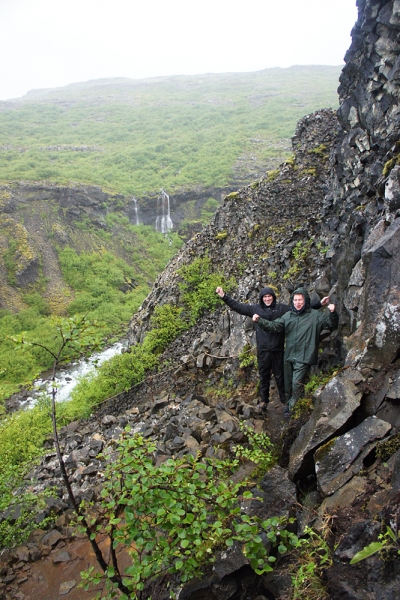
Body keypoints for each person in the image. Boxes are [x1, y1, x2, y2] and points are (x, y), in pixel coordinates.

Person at [216, 285, 329, 410]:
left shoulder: (281, 309)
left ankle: (284, 401)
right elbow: (238, 307)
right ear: (261, 298)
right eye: (265, 297)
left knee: (280, 377)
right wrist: (223, 296)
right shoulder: (255, 309)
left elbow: (300, 308)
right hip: (263, 350)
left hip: (278, 350)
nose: (267, 299)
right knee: (264, 376)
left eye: (269, 296)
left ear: (273, 297)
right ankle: (264, 401)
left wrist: (319, 304)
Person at [253, 287, 338, 413]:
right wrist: (260, 320)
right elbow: (273, 326)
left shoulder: (315, 315)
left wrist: (332, 313)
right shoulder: (288, 316)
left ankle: (293, 411)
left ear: (305, 301)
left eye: (300, 300)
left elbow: (331, 325)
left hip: (305, 355)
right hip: (289, 355)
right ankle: (290, 405)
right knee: (287, 384)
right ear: (292, 301)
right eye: (295, 300)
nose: (298, 303)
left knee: (296, 384)